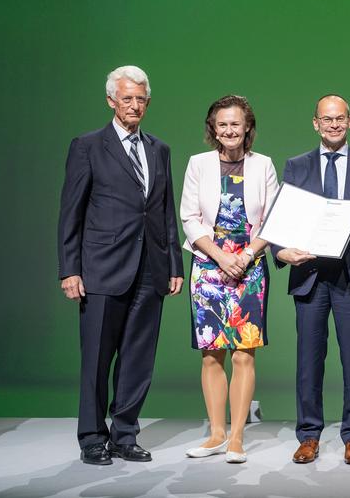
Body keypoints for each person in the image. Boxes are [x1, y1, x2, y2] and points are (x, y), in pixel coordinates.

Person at [58, 65, 184, 466]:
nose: (134, 105)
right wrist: (69, 268)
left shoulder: (159, 150)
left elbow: (164, 212)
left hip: (151, 269)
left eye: (140, 98)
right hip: (101, 268)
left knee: (138, 357)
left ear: (148, 102)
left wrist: (174, 265)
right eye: (126, 98)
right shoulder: (88, 146)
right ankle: (93, 437)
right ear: (111, 100)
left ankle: (124, 434)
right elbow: (71, 212)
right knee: (96, 357)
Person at [273, 94, 350, 465]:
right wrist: (279, 250)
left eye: (340, 119)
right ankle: (309, 435)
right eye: (328, 119)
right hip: (309, 273)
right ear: (315, 123)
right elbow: (281, 217)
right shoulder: (297, 166)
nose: (334, 124)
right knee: (310, 359)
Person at [179, 95, 279, 464]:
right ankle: (216, 434)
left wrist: (245, 256)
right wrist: (220, 256)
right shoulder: (198, 164)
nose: (229, 130)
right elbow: (188, 217)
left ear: (248, 127)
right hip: (208, 266)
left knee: (243, 355)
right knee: (211, 355)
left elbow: (272, 219)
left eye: (236, 124)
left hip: (249, 267)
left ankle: (236, 437)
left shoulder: (263, 165)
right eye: (222, 125)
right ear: (213, 129)